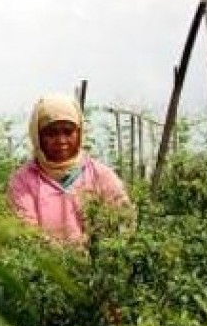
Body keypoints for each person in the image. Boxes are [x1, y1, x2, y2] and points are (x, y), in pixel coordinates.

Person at [8, 93, 129, 243]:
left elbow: (123, 222)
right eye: (51, 133)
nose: (61, 140)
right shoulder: (23, 180)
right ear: (38, 135)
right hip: (44, 263)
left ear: (79, 132)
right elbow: (27, 231)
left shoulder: (101, 175)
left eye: (68, 131)